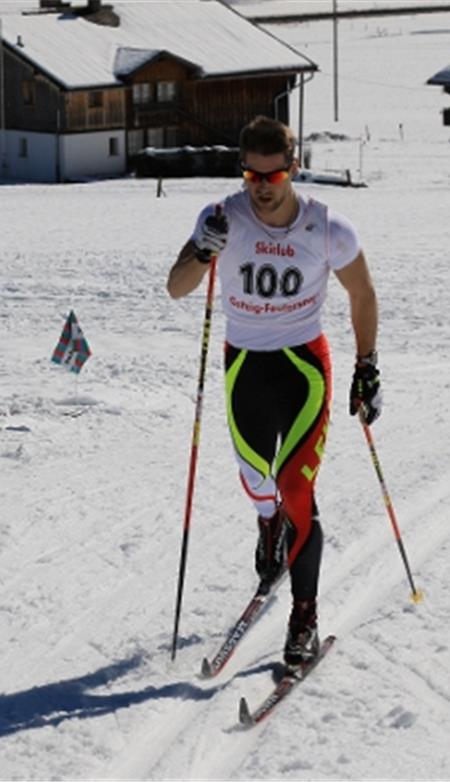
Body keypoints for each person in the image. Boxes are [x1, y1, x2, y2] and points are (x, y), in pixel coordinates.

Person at [166, 116, 382, 670]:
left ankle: (304, 616)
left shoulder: (328, 226)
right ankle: (269, 525)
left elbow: (362, 294)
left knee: (296, 486)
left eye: (274, 174)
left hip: (303, 367)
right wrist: (202, 251)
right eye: (251, 175)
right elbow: (177, 288)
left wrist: (367, 365)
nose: (261, 186)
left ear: (294, 169)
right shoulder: (221, 218)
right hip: (244, 367)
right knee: (258, 481)